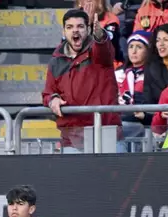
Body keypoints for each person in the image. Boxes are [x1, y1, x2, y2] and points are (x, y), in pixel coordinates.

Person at [42, 7, 123, 153]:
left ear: (88, 30)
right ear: (63, 32)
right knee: (75, 175)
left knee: (108, 175)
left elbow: (105, 51)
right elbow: (48, 92)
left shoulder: (98, 51)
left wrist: (100, 36)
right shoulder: (56, 60)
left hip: (104, 131)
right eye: (70, 27)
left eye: (80, 26)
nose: (75, 31)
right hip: (71, 135)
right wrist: (53, 99)